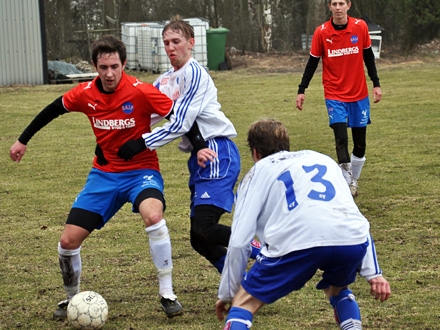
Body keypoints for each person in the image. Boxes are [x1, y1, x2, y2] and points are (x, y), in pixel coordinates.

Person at [9, 35, 188, 319]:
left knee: (154, 216)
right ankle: (72, 300)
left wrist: (201, 148)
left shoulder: (141, 91)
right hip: (103, 176)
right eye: (103, 67)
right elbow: (54, 109)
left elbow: (181, 119)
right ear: (95, 65)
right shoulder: (84, 93)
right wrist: (22, 140)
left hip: (142, 172)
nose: (109, 73)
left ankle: (167, 293)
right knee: (67, 243)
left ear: (124, 64)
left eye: (114, 66)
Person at [115, 16, 261, 276]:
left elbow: (181, 122)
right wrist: (116, 131)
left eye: (176, 41)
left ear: (191, 43)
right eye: (166, 42)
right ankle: (242, 282)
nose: (170, 47)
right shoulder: (164, 81)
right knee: (199, 239)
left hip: (217, 151)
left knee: (204, 228)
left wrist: (142, 143)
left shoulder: (195, 72)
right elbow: (146, 115)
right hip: (199, 156)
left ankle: (267, 251)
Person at [215, 118, 391, 329]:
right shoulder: (323, 159)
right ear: (286, 145)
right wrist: (374, 273)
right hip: (350, 240)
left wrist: (228, 293)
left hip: (297, 241)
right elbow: (355, 215)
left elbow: (238, 241)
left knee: (244, 303)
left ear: (255, 153)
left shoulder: (256, 172)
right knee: (338, 288)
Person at [296, 0, 382, 197]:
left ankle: (353, 180)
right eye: (334, 3)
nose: (337, 7)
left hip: (359, 95)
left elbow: (368, 57)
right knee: (341, 138)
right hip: (334, 95)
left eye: (341, 3)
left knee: (360, 145)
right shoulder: (322, 32)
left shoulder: (360, 27)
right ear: (329, 7)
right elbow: (312, 63)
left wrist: (376, 83)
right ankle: (347, 184)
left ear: (348, 5)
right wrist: (302, 89)